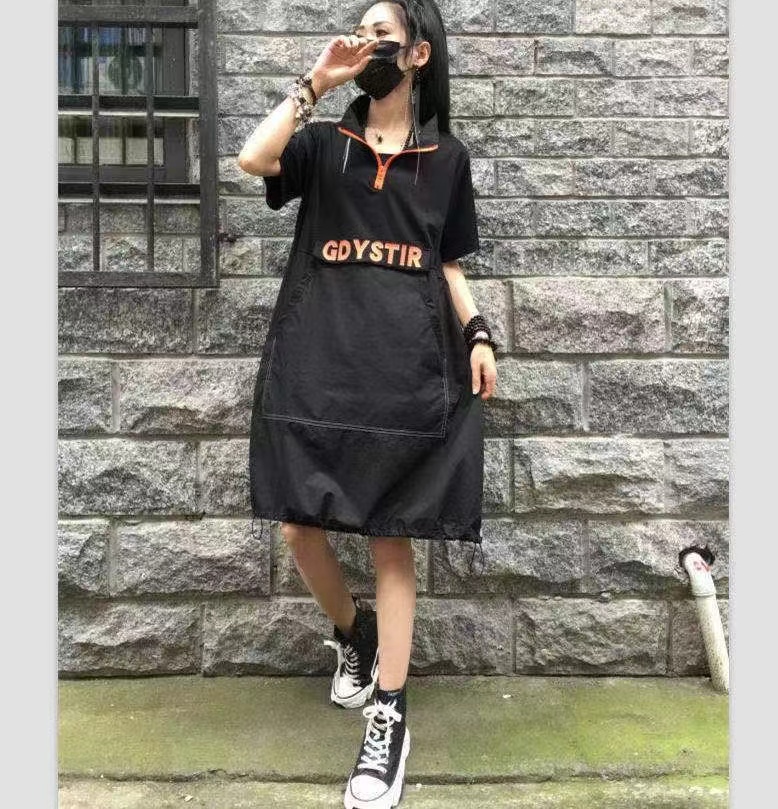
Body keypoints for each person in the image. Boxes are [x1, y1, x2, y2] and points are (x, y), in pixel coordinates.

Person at [238, 2, 498, 807]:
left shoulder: (446, 159)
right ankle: (355, 636)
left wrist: (478, 333)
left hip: (403, 371)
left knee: (391, 536)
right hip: (316, 363)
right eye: (360, 32)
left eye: (381, 36)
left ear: (417, 55)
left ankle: (389, 713)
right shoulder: (324, 145)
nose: (366, 45)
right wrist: (315, 84)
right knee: (297, 524)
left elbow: (446, 262)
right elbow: (252, 159)